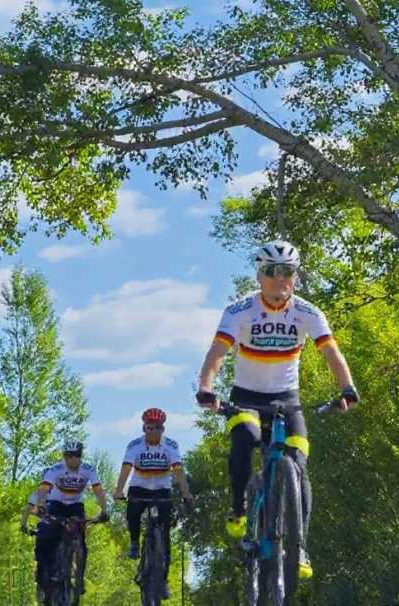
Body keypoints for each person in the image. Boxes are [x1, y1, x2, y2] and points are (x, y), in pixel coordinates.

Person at [195, 240, 358, 580]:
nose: (280, 278)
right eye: (272, 271)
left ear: (296, 276)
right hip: (246, 397)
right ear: (259, 276)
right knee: (245, 439)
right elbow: (217, 353)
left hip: (287, 399)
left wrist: (347, 388)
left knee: (298, 464)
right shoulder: (239, 311)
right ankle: (239, 508)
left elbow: (331, 353)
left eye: (288, 271)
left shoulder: (307, 312)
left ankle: (299, 548)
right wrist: (206, 388)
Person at [112, 407, 193, 600]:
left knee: (165, 536)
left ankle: (163, 581)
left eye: (158, 428)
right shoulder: (135, 445)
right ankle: (134, 541)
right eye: (150, 428)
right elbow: (126, 469)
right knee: (132, 512)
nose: (154, 432)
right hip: (139, 487)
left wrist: (186, 493)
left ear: (163, 429)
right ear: (144, 428)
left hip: (162, 489)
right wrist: (119, 490)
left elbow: (178, 471)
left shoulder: (171, 445)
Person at [34, 439, 110, 593]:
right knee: (47, 532)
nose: (72, 459)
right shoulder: (55, 469)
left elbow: (98, 490)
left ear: (81, 456)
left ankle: (79, 578)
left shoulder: (88, 470)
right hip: (56, 504)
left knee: (80, 539)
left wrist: (104, 510)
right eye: (69, 456)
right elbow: (43, 489)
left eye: (76, 455)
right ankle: (45, 570)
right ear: (64, 456)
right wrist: (41, 505)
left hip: (75, 506)